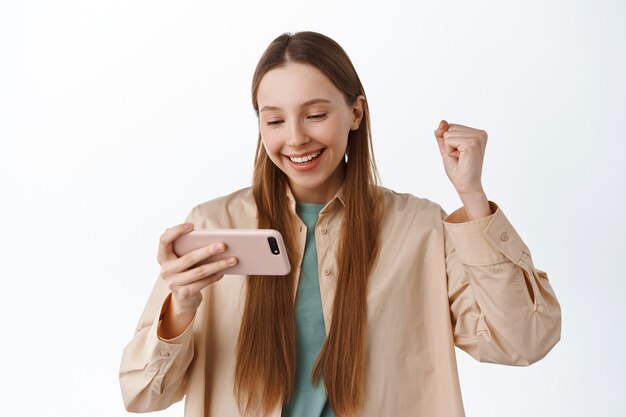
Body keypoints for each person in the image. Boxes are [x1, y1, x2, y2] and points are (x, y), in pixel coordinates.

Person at [119, 31, 561, 417]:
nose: (295, 137)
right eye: (274, 120)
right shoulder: (213, 225)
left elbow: (524, 340)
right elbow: (140, 394)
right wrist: (180, 305)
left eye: (315, 114)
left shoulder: (422, 229)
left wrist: (472, 197)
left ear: (355, 113)